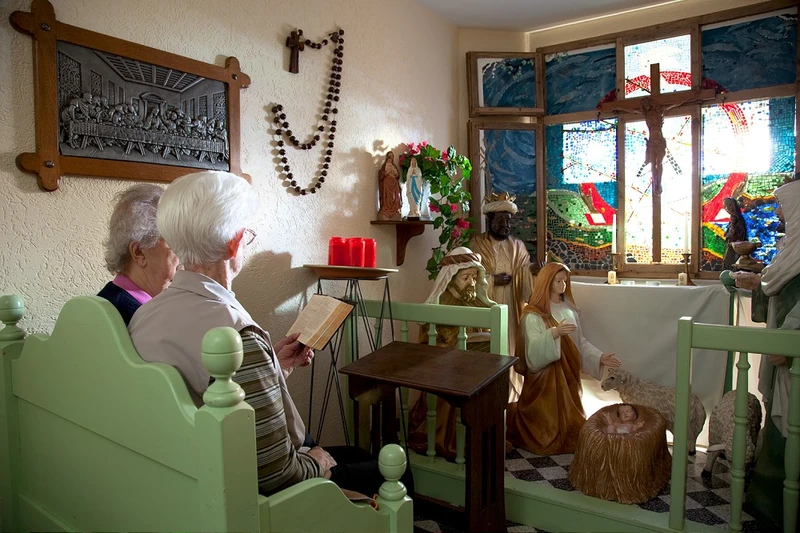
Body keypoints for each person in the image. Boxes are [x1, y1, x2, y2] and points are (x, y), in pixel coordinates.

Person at [129, 171, 402, 498]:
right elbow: (278, 474)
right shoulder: (234, 329)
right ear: (234, 243)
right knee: (394, 471)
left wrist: (274, 366)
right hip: (251, 495)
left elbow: (215, 398)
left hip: (183, 480)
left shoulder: (145, 315)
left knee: (357, 456)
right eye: (248, 236)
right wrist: (316, 461)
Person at [731, 178, 800, 531]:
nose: (777, 213)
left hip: (792, 359)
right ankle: (767, 498)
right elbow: (779, 290)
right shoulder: (791, 251)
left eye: (783, 208)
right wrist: (760, 286)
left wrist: (789, 337)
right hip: (782, 356)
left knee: (789, 424)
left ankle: (779, 505)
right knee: (777, 424)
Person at [506, 262, 621, 455]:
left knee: (571, 422)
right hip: (544, 380)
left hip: (567, 377)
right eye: (557, 281)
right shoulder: (533, 315)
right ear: (546, 282)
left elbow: (579, 343)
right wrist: (554, 333)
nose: (563, 285)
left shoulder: (569, 310)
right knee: (545, 422)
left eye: (565, 281)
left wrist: (599, 357)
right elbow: (532, 351)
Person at [407, 247, 496, 459]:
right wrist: (453, 351)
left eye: (474, 277)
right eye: (466, 277)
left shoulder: (475, 301)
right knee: (452, 391)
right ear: (452, 277)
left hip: (473, 365)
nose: (472, 283)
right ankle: (448, 440)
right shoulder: (440, 303)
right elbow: (426, 344)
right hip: (445, 369)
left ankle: (479, 438)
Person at [470, 191, 534, 398]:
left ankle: (510, 397)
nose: (506, 225)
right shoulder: (476, 245)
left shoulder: (518, 247)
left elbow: (525, 276)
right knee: (489, 353)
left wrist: (532, 271)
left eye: (508, 221)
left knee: (509, 349)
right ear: (489, 220)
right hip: (486, 307)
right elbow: (468, 276)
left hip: (511, 308)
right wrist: (490, 280)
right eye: (500, 220)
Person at [97, 184, 180, 325]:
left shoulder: (105, 300)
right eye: (175, 245)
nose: (182, 259)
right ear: (139, 252)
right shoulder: (140, 322)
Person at [723, 197, 748, 270]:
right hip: (731, 243)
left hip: (736, 244)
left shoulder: (737, 217)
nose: (728, 208)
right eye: (725, 206)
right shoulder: (733, 217)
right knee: (728, 262)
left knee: (731, 262)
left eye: (730, 205)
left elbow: (738, 231)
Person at [377, 151, 402, 221]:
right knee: (387, 196)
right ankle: (386, 208)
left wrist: (395, 173)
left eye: (392, 156)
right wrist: (385, 173)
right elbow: (381, 174)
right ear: (387, 157)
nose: (390, 158)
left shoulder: (394, 166)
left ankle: (395, 209)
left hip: (394, 183)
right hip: (387, 182)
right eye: (389, 156)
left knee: (395, 196)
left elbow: (397, 176)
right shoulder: (384, 166)